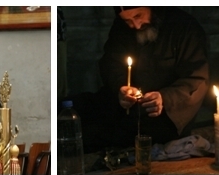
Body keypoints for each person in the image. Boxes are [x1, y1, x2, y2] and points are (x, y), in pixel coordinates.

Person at [66, 6, 209, 153]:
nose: (136, 25)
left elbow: (196, 78)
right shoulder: (122, 27)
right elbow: (111, 63)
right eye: (128, 21)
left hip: (165, 114)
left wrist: (164, 98)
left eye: (138, 15)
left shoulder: (184, 26)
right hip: (126, 106)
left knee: (103, 133)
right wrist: (121, 88)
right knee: (73, 110)